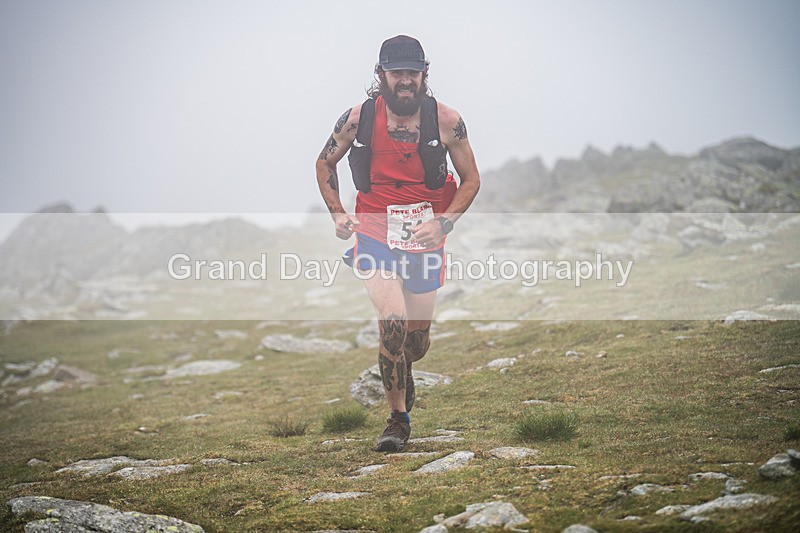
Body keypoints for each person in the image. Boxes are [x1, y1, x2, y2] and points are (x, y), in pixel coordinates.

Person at [315, 35, 480, 452]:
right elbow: (325, 162)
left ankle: (404, 372)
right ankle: (397, 418)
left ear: (424, 73)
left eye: (412, 72)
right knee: (391, 321)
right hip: (374, 232)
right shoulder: (357, 118)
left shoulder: (446, 120)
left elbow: (471, 180)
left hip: (425, 236)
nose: (404, 81)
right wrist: (338, 212)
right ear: (381, 75)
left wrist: (443, 224)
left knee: (415, 343)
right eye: (396, 73)